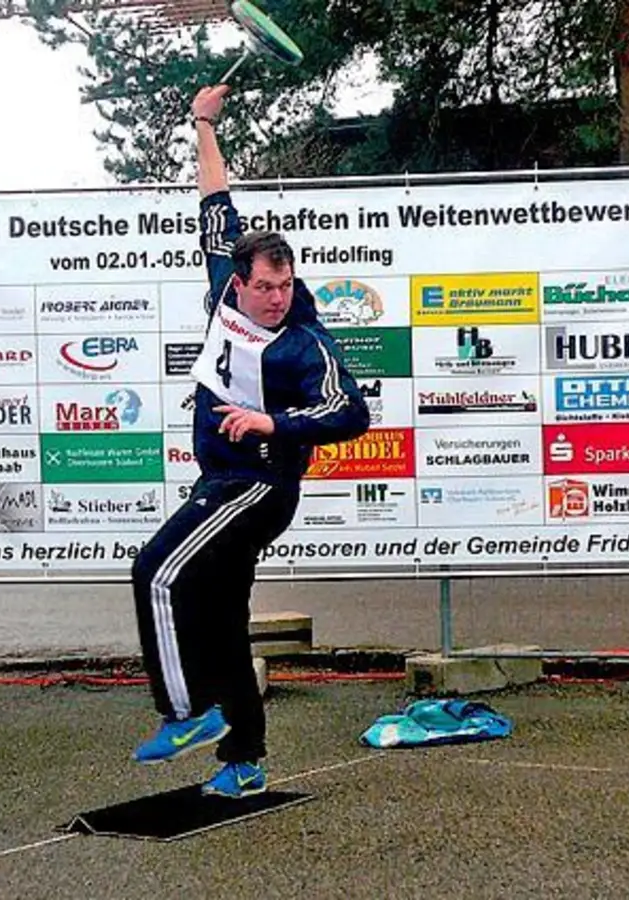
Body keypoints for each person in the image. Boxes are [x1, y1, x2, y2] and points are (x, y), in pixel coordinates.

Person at [129, 83, 371, 798]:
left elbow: (351, 412)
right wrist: (202, 123)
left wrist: (277, 422)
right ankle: (246, 761)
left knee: (158, 573)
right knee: (220, 617)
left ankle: (187, 710)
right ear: (239, 283)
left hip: (260, 487)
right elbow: (215, 201)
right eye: (266, 285)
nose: (277, 297)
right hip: (220, 481)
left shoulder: (304, 342)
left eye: (286, 284)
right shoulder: (222, 291)